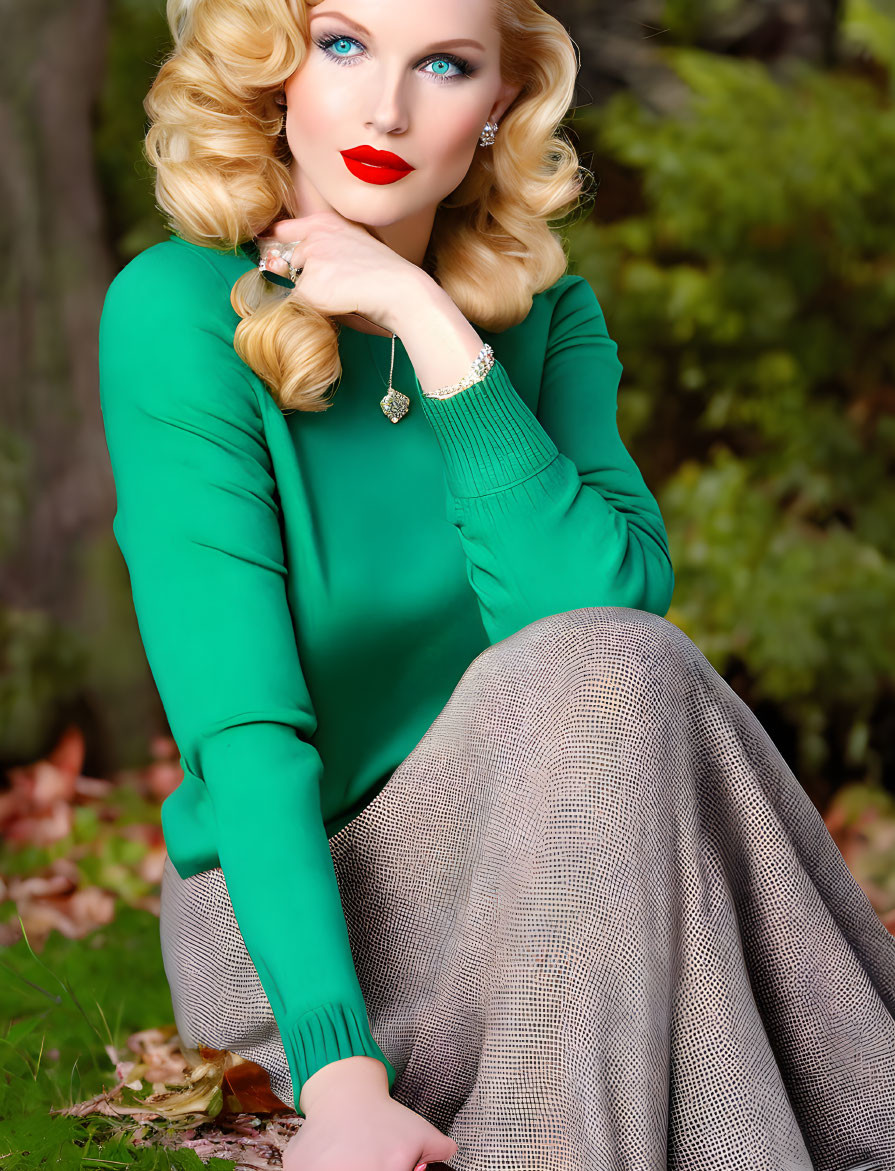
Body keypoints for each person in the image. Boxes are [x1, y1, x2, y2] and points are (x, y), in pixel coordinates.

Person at [97, 0, 895, 1167]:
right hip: (314, 934)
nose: (387, 107)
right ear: (274, 65)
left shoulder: (545, 315)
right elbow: (246, 740)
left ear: (502, 104)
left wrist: (429, 323)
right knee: (621, 671)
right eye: (344, 43)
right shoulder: (173, 313)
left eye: (445, 64)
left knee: (622, 663)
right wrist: (342, 1082)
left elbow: (594, 611)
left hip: (575, 885)